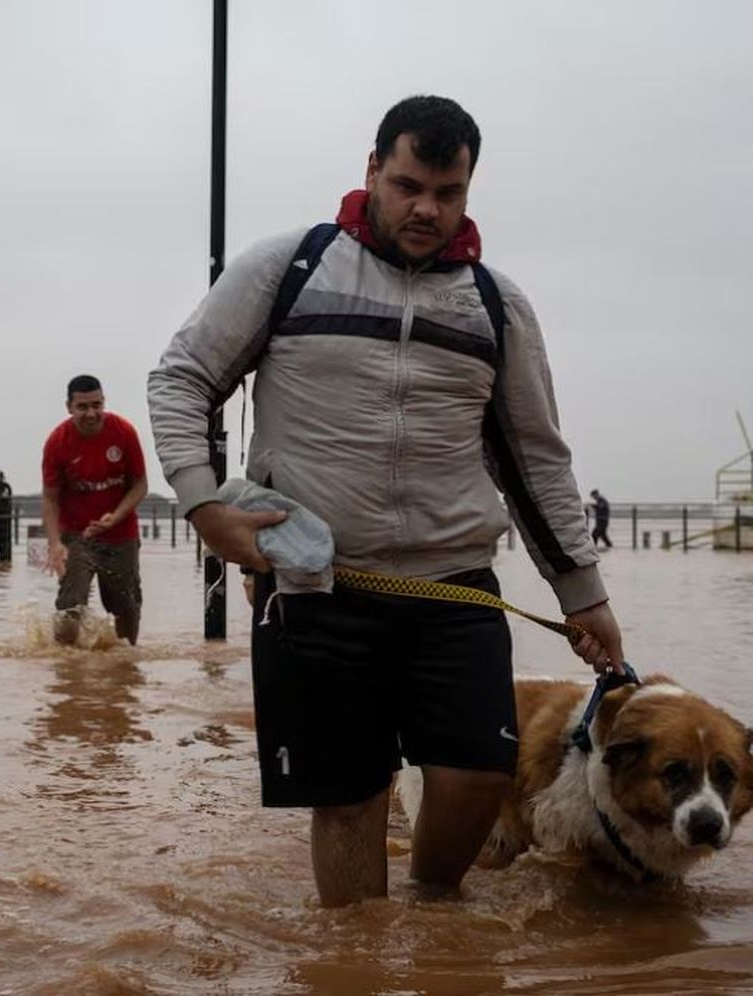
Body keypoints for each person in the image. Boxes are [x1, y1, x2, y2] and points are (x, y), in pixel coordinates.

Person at [146, 95, 622, 908]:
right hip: (318, 589)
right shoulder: (288, 267)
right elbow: (182, 378)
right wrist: (204, 508)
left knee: (479, 772)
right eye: (407, 185)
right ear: (371, 170)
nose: (426, 209)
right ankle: (355, 954)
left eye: (448, 192)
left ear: (469, 190)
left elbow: (536, 459)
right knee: (349, 797)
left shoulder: (497, 306)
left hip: (455, 584)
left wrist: (585, 596)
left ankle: (435, 909)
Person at [42, 375, 146, 646]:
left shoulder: (123, 432)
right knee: (70, 604)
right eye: (83, 407)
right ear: (69, 407)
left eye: (97, 405)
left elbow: (140, 485)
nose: (91, 413)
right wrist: (54, 544)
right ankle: (66, 668)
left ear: (104, 402)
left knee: (125, 605)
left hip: (120, 533)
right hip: (77, 535)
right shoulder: (57, 442)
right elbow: (50, 499)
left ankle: (124, 664)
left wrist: (116, 516)